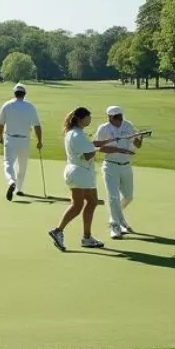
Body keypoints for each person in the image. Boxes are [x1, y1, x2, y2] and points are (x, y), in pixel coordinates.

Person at [47, 107, 132, 252]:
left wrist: (110, 141)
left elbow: (91, 145)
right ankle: (58, 230)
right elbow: (88, 154)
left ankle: (86, 237)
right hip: (79, 172)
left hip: (82, 172)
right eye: (88, 117)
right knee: (78, 205)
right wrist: (113, 149)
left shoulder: (77, 133)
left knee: (91, 202)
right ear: (81, 119)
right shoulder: (77, 135)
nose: (90, 119)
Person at [95, 105, 144, 239]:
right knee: (113, 197)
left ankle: (117, 217)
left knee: (128, 196)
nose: (118, 120)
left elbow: (137, 145)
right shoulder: (103, 129)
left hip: (126, 166)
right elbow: (99, 148)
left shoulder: (128, 126)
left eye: (120, 117)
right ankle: (114, 225)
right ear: (109, 117)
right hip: (110, 166)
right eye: (115, 117)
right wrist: (118, 150)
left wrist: (140, 138)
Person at [0, 82, 43, 201]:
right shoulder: (30, 106)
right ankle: (19, 189)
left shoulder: (7, 105)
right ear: (24, 94)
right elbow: (37, 125)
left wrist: (0, 137)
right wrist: (39, 140)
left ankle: (11, 181)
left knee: (8, 163)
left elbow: (1, 123)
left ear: (14, 93)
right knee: (22, 166)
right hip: (24, 140)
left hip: (10, 139)